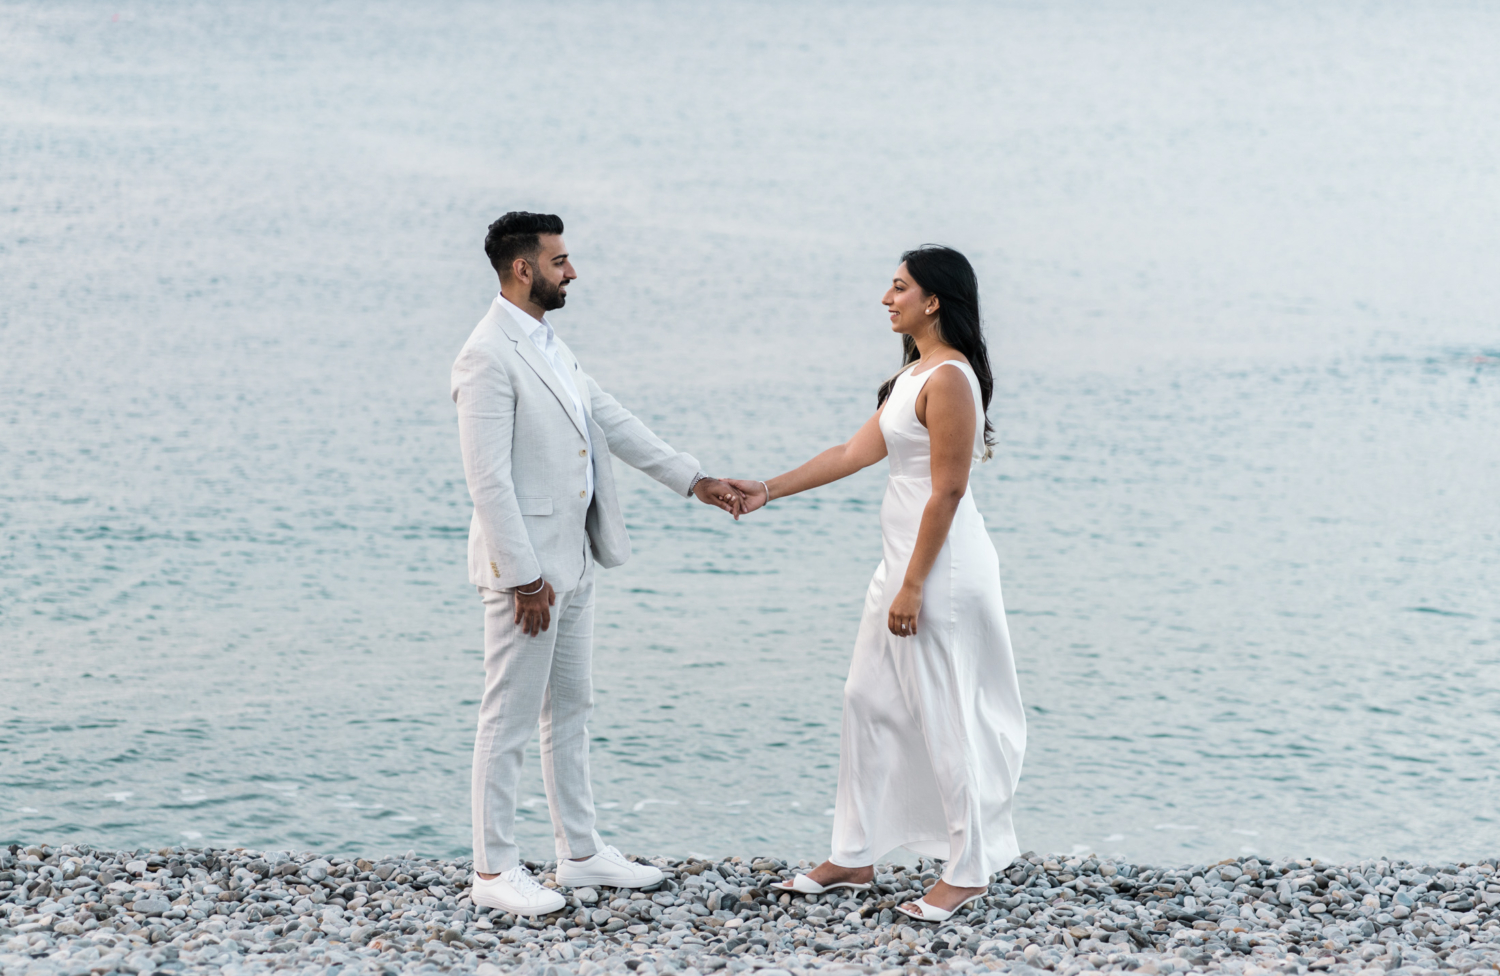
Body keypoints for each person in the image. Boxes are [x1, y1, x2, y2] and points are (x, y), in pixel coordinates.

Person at [451, 211, 745, 916]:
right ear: (524, 269)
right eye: (560, 261)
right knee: (509, 717)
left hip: (573, 558)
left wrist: (692, 479)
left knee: (572, 708)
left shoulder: (547, 342)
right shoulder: (486, 354)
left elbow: (606, 418)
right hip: (529, 575)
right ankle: (492, 871)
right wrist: (524, 577)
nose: (571, 271)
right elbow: (486, 479)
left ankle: (579, 854)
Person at [727, 245, 1026, 923]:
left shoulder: (950, 380)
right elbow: (850, 454)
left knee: (943, 715)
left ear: (934, 301)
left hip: (939, 572)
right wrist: (768, 489)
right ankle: (854, 855)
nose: (886, 299)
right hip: (901, 568)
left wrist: (915, 584)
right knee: (865, 699)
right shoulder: (913, 377)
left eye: (898, 288)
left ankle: (968, 870)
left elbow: (948, 491)